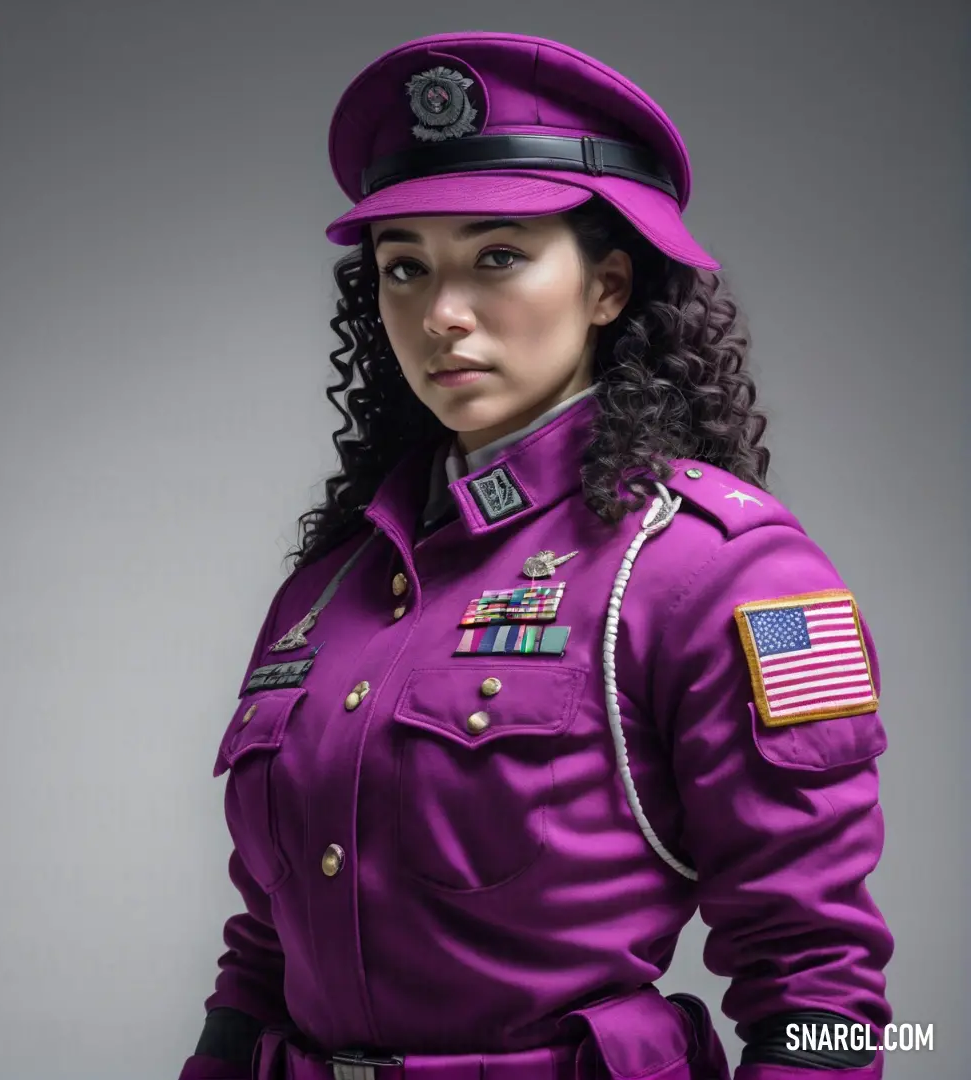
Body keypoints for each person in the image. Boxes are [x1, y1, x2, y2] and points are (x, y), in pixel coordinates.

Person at [177, 31, 893, 1080]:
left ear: (607, 286)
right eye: (406, 267)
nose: (442, 314)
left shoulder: (730, 573)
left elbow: (821, 990)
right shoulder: (326, 588)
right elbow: (265, 947)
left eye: (497, 255)